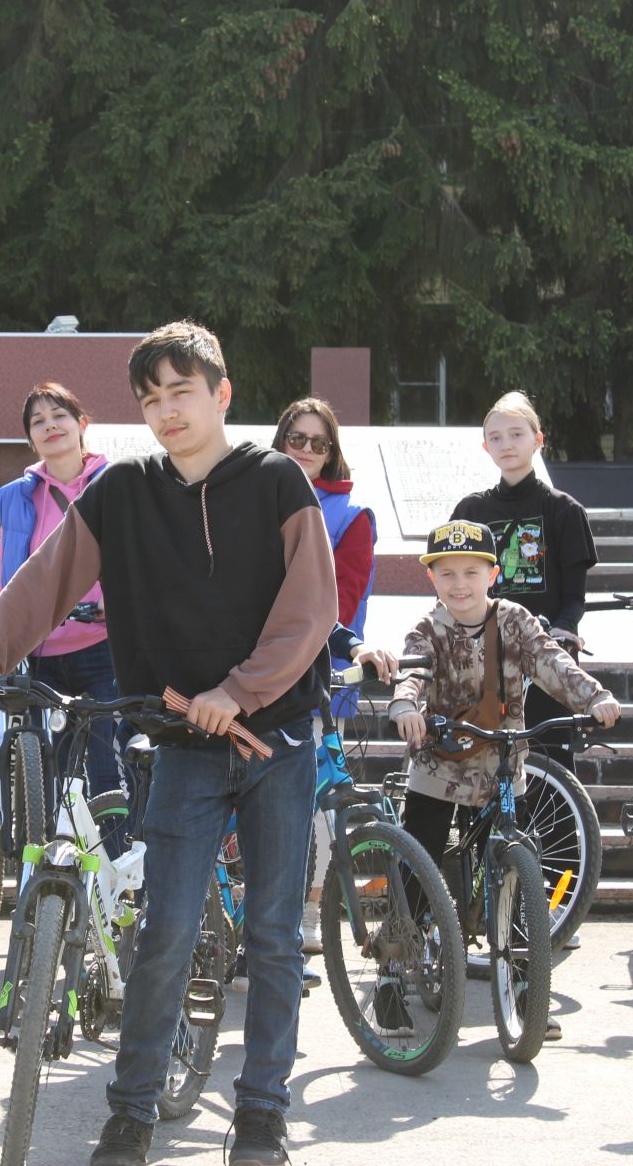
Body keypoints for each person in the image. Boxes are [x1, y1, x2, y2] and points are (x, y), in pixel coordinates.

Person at [0, 321, 383, 1166]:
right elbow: (47, 575)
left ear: (222, 393)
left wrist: (239, 690)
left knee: (273, 936)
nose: (165, 411)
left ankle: (260, 1111)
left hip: (280, 740)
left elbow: (310, 613)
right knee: (165, 933)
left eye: (181, 391)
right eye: (150, 398)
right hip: (181, 742)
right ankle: (132, 1112)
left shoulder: (278, 483)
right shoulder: (124, 492)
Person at [387, 519, 620, 1042]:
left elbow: (550, 662)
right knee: (417, 862)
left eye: (471, 571)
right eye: (447, 573)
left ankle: (522, 986)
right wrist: (406, 703)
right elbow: (413, 672)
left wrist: (594, 697)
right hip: (439, 764)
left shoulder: (514, 621)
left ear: (493, 573)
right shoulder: (427, 629)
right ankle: (391, 973)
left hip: (500, 765)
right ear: (433, 579)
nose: (460, 583)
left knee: (515, 871)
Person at [271, 396, 376, 957]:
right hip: (256, 674)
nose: (307, 451)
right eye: (297, 439)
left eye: (319, 443)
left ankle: (312, 912)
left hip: (320, 673)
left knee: (316, 799)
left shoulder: (350, 515)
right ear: (281, 441)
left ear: (332, 451)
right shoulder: (256, 497)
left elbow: (345, 599)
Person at [450, 391, 598, 773]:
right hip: (482, 657)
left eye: (516, 434)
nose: (506, 444)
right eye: (495, 437)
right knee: (477, 765)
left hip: (547, 656)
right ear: (485, 447)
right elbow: (454, 589)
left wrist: (563, 632)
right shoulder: (470, 512)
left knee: (551, 765)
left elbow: (574, 597)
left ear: (538, 440)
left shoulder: (564, 510)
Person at [0, 381, 120, 805]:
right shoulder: (21, 496)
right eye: (38, 421)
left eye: (59, 415)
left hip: (103, 649)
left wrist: (114, 597)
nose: (50, 426)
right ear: (29, 439)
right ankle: (48, 869)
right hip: (40, 654)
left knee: (108, 775)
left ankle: (113, 870)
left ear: (82, 424)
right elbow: (9, 574)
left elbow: (135, 557)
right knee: (50, 777)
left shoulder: (114, 484)